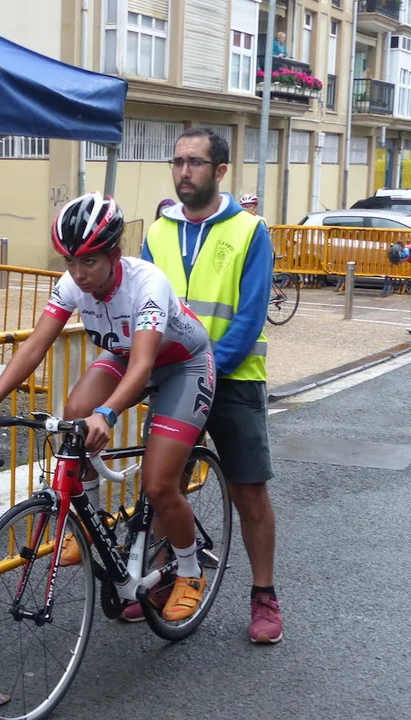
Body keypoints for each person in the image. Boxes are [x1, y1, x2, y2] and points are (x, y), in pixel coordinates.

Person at [0, 192, 216, 623]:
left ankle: (190, 571)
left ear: (115, 255)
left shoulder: (147, 284)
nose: (78, 274)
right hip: (125, 354)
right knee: (75, 412)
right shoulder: (71, 285)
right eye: (70, 262)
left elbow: (143, 366)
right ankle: (92, 523)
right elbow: (34, 347)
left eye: (89, 262)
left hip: (181, 365)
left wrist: (109, 414)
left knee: (159, 484)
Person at [141, 127, 282, 644]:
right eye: (177, 161)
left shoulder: (249, 231)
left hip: (233, 378)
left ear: (220, 170)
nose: (184, 171)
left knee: (248, 490)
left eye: (195, 162)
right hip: (174, 380)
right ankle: (164, 579)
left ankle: (264, 596)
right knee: (164, 486)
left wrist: (206, 368)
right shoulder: (159, 231)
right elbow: (143, 308)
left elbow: (249, 316)